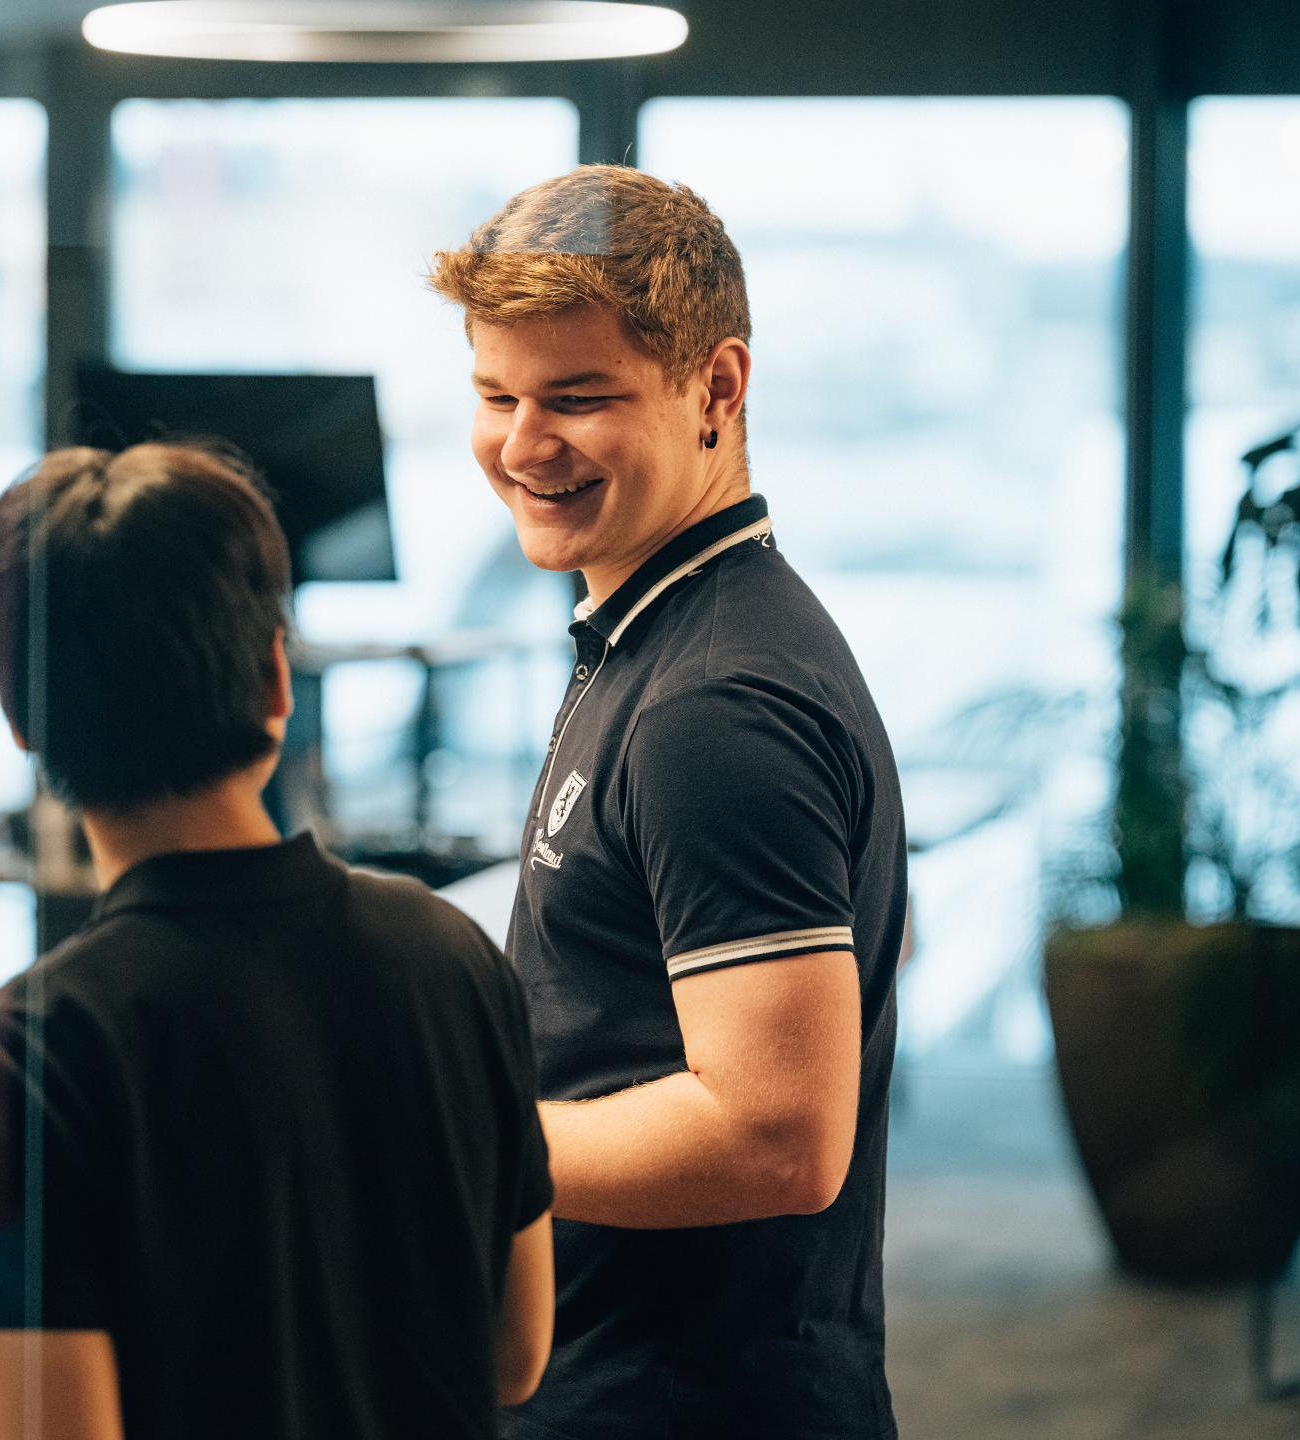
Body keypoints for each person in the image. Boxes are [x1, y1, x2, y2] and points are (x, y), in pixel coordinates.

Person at [0, 443, 556, 1440]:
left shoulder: (17, 1058)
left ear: (21, 720)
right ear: (276, 678)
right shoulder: (454, 958)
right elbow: (512, 1356)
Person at [426, 165, 907, 1440]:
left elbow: (776, 1136)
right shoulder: (651, 635)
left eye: (578, 399)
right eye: (494, 396)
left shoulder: (715, 704)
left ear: (717, 389)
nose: (524, 446)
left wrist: (434, 1144)